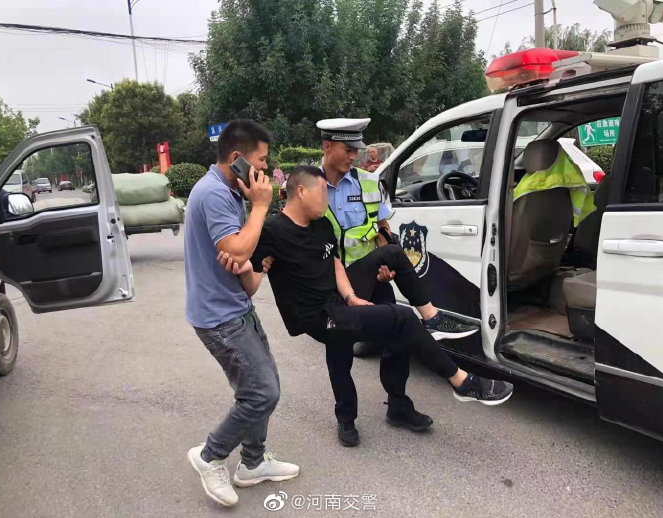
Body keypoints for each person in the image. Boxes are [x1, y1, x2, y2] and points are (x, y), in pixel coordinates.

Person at [221, 166, 513, 448]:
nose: (327, 200)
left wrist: (351, 297)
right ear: (300, 191)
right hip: (318, 316)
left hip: (338, 299)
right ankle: (461, 382)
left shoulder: (322, 224)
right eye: (322, 193)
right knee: (393, 321)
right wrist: (245, 270)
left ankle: (432, 318)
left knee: (392, 253)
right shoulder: (272, 231)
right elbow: (253, 283)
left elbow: (334, 263)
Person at [316, 118, 482, 445]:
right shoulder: (307, 185)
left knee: (398, 340)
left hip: (374, 277)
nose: (354, 156)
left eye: (357, 150)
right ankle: (346, 417)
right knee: (339, 353)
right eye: (347, 150)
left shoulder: (368, 182)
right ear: (327, 147)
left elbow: (382, 230)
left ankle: (399, 405)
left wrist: (386, 267)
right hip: (333, 285)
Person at [184, 119, 299, 508]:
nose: (265, 169)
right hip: (220, 318)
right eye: (261, 161)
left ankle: (252, 462)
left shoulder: (231, 193)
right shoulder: (214, 193)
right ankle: (210, 456)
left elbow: (242, 264)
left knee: (262, 388)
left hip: (236, 307)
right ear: (237, 158)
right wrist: (261, 207)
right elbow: (236, 249)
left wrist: (249, 262)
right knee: (261, 393)